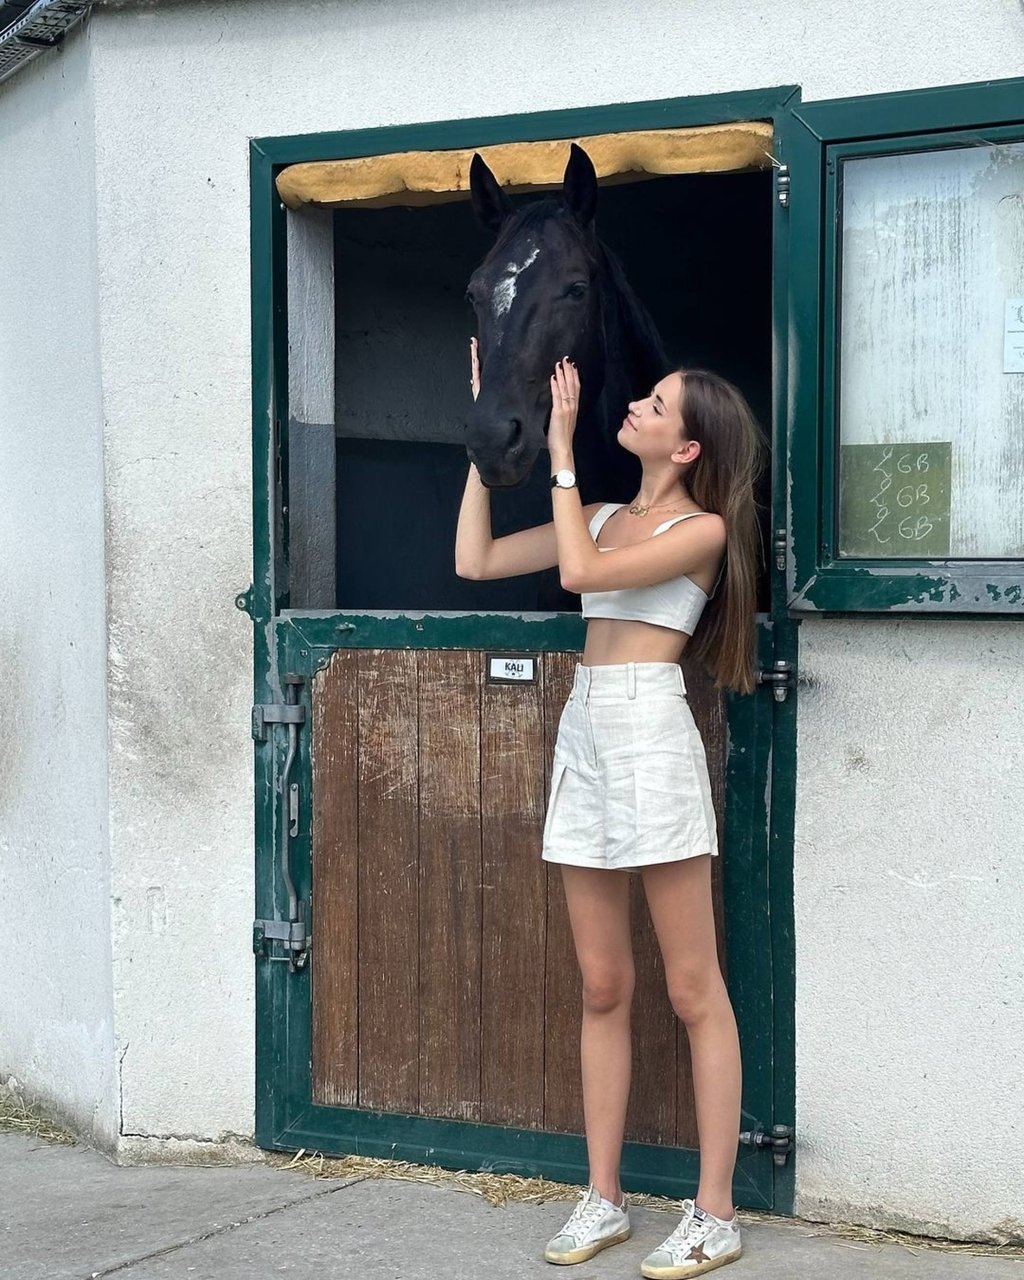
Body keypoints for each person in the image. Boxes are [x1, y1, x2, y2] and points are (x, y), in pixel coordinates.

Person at [455, 339, 764, 1279]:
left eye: (658, 403)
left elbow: (582, 579)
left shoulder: (703, 531)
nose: (634, 403)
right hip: (585, 730)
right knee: (601, 984)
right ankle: (604, 1197)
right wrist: (482, 443)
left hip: (649, 730)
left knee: (690, 986)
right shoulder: (595, 515)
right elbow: (474, 560)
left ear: (688, 449)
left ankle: (715, 1212)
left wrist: (558, 448)